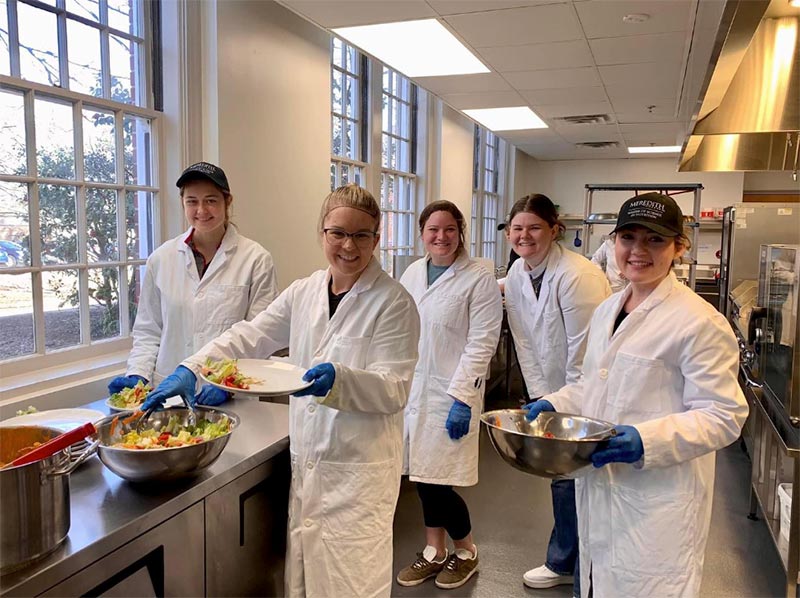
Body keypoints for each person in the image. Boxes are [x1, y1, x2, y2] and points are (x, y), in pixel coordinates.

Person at [142, 184, 421, 598]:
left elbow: (395, 389)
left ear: (376, 239)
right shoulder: (304, 292)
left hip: (356, 475)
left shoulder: (393, 302)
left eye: (361, 235)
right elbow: (250, 335)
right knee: (305, 584)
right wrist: (193, 368)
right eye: (337, 233)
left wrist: (342, 380)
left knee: (353, 585)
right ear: (322, 233)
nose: (348, 246)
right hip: (310, 467)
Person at [523, 192, 748, 597]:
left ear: (679, 247)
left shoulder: (699, 322)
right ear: (613, 242)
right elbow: (595, 386)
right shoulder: (607, 310)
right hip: (599, 491)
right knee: (594, 583)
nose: (638, 251)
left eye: (655, 239)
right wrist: (557, 402)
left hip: (656, 505)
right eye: (628, 237)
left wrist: (646, 440)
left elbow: (723, 415)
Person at [502, 194, 610, 595]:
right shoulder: (518, 272)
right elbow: (525, 342)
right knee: (563, 478)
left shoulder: (578, 275)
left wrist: (566, 402)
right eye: (517, 228)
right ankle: (565, 561)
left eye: (534, 227)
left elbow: (587, 353)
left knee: (582, 480)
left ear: (554, 230)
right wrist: (541, 398)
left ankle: (584, 569)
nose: (524, 236)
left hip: (586, 391)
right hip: (550, 391)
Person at [107, 162, 278, 406]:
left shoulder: (256, 259)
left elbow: (259, 334)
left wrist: (228, 383)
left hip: (232, 396)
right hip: (169, 395)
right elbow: (148, 330)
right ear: (183, 203)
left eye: (211, 200)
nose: (201, 210)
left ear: (227, 202)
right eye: (192, 201)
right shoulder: (161, 259)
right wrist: (138, 374)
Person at [396, 201, 503, 590]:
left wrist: (461, 398)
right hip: (414, 391)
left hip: (451, 393)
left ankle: (467, 551)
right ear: (422, 234)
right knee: (423, 476)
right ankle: (434, 552)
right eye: (433, 230)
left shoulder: (479, 279)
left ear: (460, 233)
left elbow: (482, 342)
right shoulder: (412, 272)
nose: (441, 237)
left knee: (437, 483)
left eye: (449, 230)